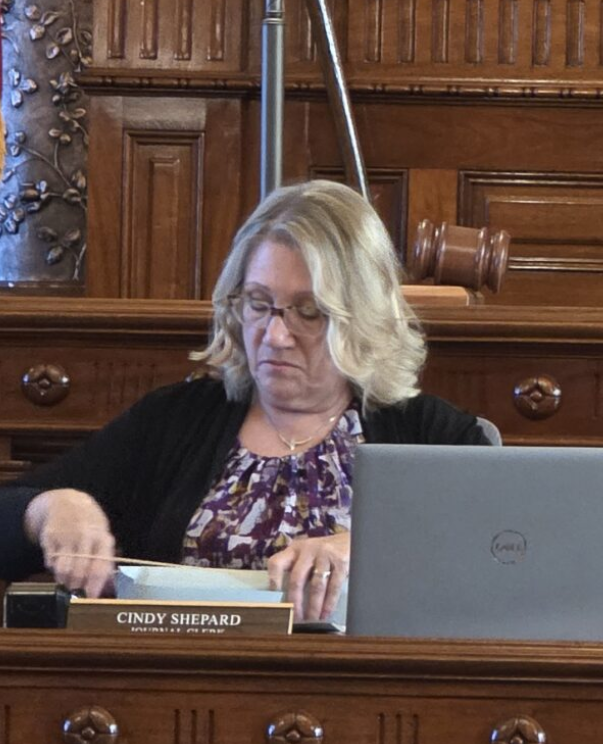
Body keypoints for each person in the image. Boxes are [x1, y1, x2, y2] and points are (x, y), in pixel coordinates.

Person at [0, 181, 489, 621]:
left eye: (308, 312)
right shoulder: (173, 422)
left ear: (361, 316)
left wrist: (370, 551)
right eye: (258, 304)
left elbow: (508, 554)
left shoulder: (431, 436)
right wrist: (49, 508)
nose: (275, 335)